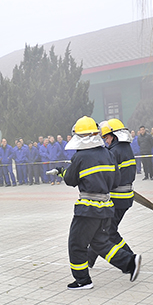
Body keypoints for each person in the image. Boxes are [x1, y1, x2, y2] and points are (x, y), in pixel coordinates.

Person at [55, 116, 141, 290]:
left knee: (76, 243)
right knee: (100, 243)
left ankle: (82, 280)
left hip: (87, 209)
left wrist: (61, 172)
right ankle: (129, 263)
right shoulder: (108, 153)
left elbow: (71, 180)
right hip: (107, 208)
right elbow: (116, 181)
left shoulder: (80, 157)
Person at [87, 119, 138, 269]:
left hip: (117, 199)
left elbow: (108, 176)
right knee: (105, 230)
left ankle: (131, 259)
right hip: (125, 197)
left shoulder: (114, 152)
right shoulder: (126, 148)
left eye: (107, 137)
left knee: (108, 232)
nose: (106, 141)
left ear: (115, 136)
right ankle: (89, 259)